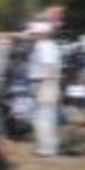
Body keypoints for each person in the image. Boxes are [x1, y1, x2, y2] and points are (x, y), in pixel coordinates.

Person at [27, 21, 61, 157]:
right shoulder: (48, 46)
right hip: (46, 83)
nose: (32, 35)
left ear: (41, 34)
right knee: (47, 116)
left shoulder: (44, 47)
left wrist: (42, 87)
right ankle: (48, 147)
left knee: (43, 116)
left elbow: (49, 68)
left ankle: (47, 148)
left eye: (34, 33)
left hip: (45, 83)